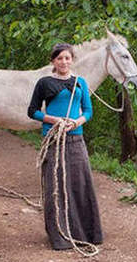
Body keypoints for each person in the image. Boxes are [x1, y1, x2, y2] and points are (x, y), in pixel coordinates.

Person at [27, 42, 102, 250]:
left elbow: (88, 111)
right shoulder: (44, 83)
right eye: (59, 58)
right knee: (55, 186)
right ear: (53, 61)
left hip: (76, 139)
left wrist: (77, 122)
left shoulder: (80, 83)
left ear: (72, 60)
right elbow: (32, 111)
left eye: (67, 58)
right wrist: (53, 119)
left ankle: (86, 232)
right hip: (53, 140)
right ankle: (59, 235)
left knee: (80, 183)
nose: (64, 62)